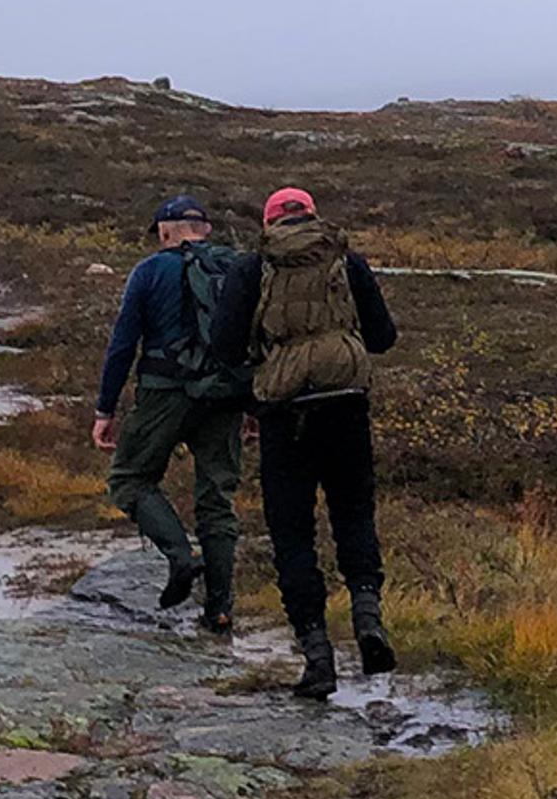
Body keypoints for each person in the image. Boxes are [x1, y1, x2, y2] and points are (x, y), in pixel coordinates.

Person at [247, 185, 399, 699]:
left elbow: (225, 343)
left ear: (269, 222)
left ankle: (317, 658)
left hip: (284, 417)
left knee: (292, 537)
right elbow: (382, 338)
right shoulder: (348, 262)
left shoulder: (254, 268)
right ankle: (367, 618)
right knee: (354, 516)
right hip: (347, 406)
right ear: (313, 215)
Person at [90, 192, 254, 628]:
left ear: (164, 231)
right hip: (225, 397)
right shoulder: (237, 269)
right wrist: (253, 405)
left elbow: (123, 344)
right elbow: (257, 340)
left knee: (129, 479)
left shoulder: (149, 270)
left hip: (164, 392)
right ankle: (219, 609)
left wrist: (105, 409)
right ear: (207, 230)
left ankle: (181, 557)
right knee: (216, 500)